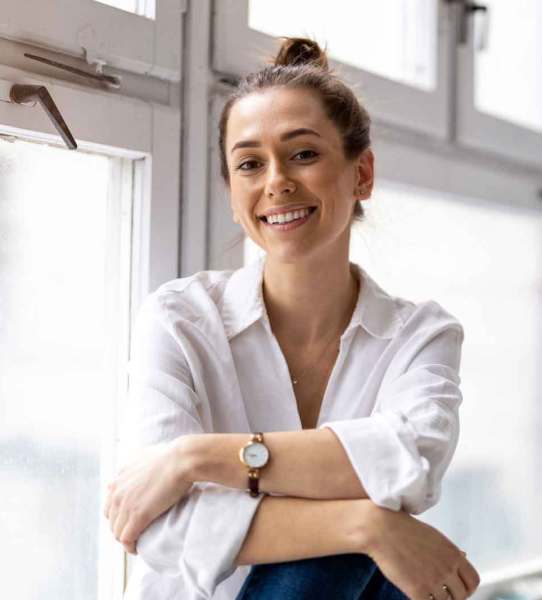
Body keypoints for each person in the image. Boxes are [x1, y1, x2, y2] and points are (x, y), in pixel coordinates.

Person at [103, 36, 480, 600]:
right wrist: (368, 526)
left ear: (363, 175)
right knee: (363, 544)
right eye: (250, 163)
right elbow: (160, 525)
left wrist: (195, 457)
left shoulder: (420, 336)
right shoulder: (179, 318)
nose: (276, 181)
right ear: (233, 193)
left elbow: (409, 465)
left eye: (303, 154)